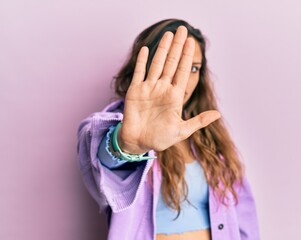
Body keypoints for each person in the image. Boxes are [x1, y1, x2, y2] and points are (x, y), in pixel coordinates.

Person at [77, 18, 260, 240]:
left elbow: (243, 214)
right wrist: (126, 146)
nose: (183, 79)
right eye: (172, 65)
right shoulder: (122, 126)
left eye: (193, 68)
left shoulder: (208, 134)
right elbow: (102, 159)